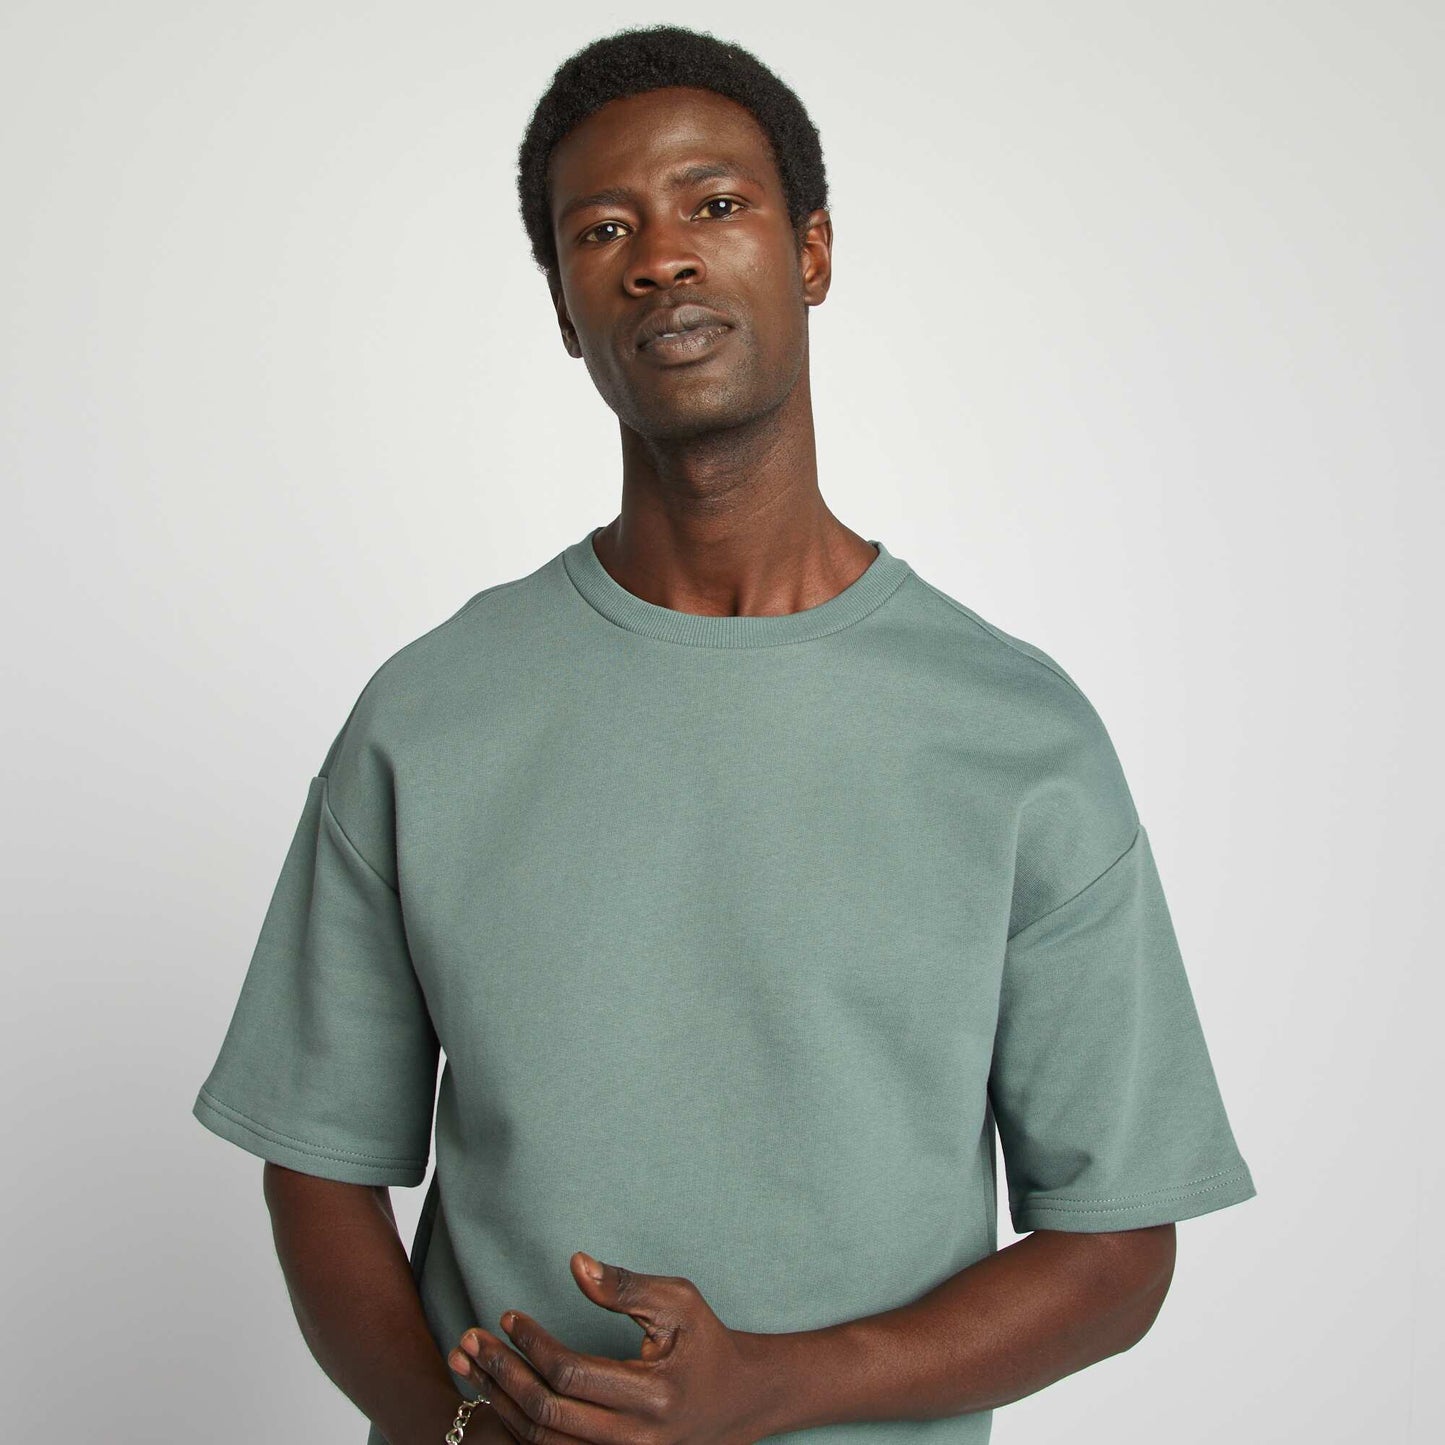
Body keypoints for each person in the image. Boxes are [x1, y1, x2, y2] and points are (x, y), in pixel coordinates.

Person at [192, 23, 1257, 1445]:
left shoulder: (1014, 734)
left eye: (714, 203)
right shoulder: (429, 713)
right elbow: (317, 1163)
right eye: (602, 230)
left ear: (811, 252)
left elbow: (1116, 1246)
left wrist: (770, 1385)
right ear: (565, 306)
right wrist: (453, 1433)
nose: (660, 260)